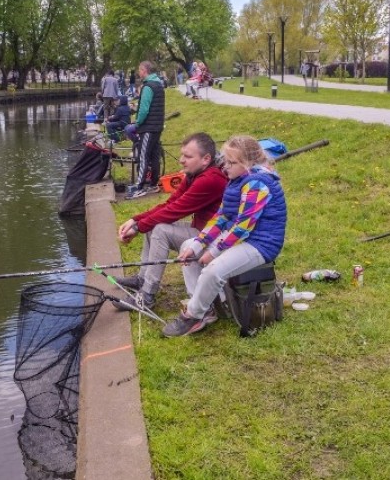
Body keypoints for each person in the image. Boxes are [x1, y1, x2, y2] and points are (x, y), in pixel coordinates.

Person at [162, 135, 287, 337]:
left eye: (232, 163)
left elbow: (242, 227)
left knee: (213, 270)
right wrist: (198, 244)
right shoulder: (236, 180)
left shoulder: (257, 184)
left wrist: (213, 252)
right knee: (188, 245)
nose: (225, 167)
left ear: (247, 164)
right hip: (242, 236)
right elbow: (221, 217)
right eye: (225, 161)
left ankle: (194, 315)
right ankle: (205, 307)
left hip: (261, 244)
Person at [114, 133, 228, 309]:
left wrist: (137, 228)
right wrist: (135, 220)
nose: (181, 160)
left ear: (206, 159)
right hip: (203, 233)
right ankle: (142, 279)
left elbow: (175, 211)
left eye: (188, 156)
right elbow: (170, 204)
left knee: (160, 230)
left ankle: (147, 296)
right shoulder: (195, 174)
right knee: (153, 226)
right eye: (182, 155)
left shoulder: (211, 179)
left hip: (215, 240)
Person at [126, 60, 166, 199]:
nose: (139, 72)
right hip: (157, 126)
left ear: (144, 70)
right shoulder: (159, 84)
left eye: (140, 69)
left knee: (143, 156)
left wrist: (137, 123)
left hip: (148, 127)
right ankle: (154, 184)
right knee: (155, 156)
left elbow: (144, 109)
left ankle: (139, 187)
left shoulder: (148, 86)